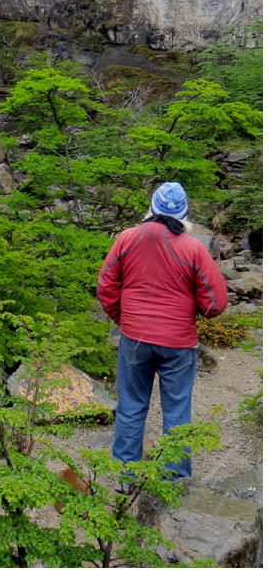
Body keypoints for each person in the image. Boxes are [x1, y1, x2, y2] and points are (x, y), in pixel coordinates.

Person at [97, 181, 227, 480]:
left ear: (151, 208)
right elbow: (215, 302)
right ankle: (175, 485)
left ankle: (125, 479)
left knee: (130, 407)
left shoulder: (126, 239)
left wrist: (123, 319)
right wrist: (195, 312)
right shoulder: (192, 248)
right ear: (183, 214)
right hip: (178, 343)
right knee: (177, 413)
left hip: (134, 339)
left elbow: (105, 287)